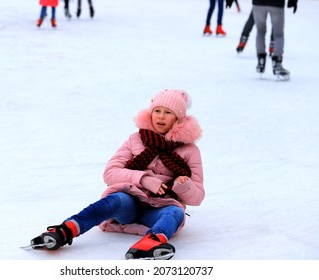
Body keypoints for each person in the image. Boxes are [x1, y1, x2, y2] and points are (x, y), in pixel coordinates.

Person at [29, 89, 205, 260]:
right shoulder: (135, 140)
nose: (160, 116)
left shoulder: (189, 151)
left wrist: (184, 186)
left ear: (179, 119)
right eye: (157, 111)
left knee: (175, 212)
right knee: (116, 199)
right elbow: (110, 172)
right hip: (130, 204)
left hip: (160, 208)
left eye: (168, 112)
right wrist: (144, 179)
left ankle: (152, 242)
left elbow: (197, 197)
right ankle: (65, 230)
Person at [227, 0, 298, 80]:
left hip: (258, 3)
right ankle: (277, 63)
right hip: (277, 4)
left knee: (260, 31)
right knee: (278, 34)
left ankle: (261, 60)